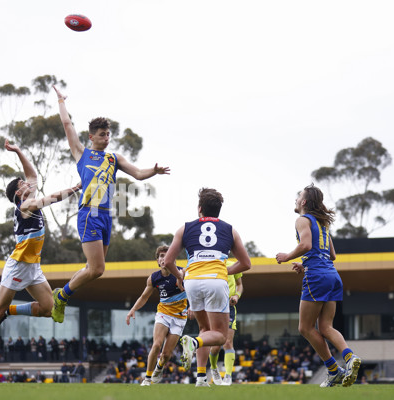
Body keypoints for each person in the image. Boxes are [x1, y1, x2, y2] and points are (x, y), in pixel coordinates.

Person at [50, 85, 170, 323]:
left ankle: (61, 295)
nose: (107, 138)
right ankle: (61, 296)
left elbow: (137, 173)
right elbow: (67, 126)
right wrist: (62, 102)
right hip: (89, 214)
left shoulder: (114, 158)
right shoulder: (81, 154)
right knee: (97, 270)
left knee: (92, 269)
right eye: (102, 135)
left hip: (106, 216)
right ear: (91, 136)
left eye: (108, 135)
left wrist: (153, 172)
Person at [0, 139, 81, 383]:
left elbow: (32, 174)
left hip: (33, 268)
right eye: (23, 184)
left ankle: (12, 310)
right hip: (17, 266)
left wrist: (18, 151)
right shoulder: (25, 205)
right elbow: (49, 198)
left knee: (49, 309)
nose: (29, 183)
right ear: (19, 192)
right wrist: (75, 188)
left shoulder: (27, 194)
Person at [275, 184, 361, 388]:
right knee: (326, 327)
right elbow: (331, 255)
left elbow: (305, 245)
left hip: (317, 276)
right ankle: (349, 358)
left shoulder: (302, 220)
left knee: (305, 327)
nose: (296, 200)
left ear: (303, 202)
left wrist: (287, 256)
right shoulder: (323, 224)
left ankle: (333, 370)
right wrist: (305, 264)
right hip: (332, 275)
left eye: (299, 197)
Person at [165, 187, 251, 387]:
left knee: (204, 329)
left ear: (199, 208)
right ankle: (193, 342)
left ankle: (201, 378)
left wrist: (180, 276)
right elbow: (246, 263)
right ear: (219, 210)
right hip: (216, 281)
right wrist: (223, 271)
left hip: (192, 280)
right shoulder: (230, 229)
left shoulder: (184, 228)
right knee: (220, 336)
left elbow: (169, 261)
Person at [126, 245, 188, 386]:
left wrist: (193, 307)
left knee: (166, 355)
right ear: (157, 260)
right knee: (156, 345)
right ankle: (147, 378)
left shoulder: (182, 273)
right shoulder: (154, 278)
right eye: (161, 256)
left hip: (179, 317)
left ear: (173, 259)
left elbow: (195, 291)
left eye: (167, 255)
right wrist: (132, 310)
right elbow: (143, 297)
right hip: (163, 314)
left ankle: (159, 368)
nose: (164, 258)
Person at [208, 259, 244, 386]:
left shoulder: (233, 264)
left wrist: (236, 296)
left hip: (229, 307)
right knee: (216, 345)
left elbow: (239, 285)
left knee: (228, 342)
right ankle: (213, 368)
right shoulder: (209, 264)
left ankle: (228, 376)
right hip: (213, 306)